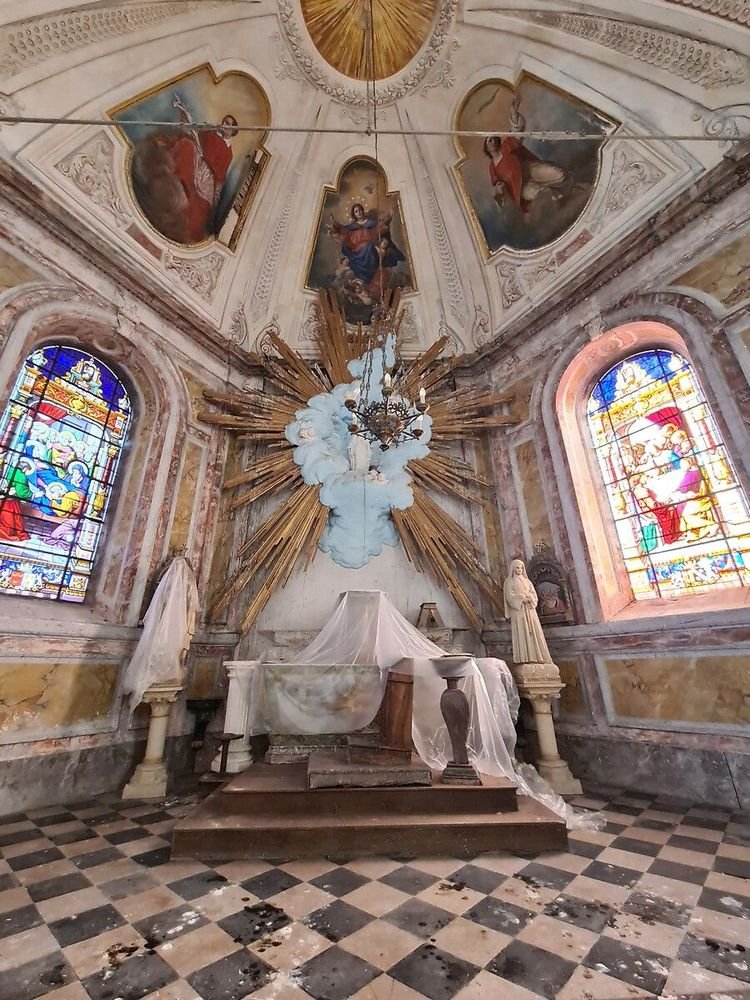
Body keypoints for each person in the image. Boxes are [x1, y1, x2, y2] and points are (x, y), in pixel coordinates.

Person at [483, 96, 570, 215]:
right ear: (486, 147)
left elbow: (517, 131)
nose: (491, 141)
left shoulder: (506, 145)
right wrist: (499, 189)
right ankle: (557, 201)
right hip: (520, 186)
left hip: (528, 169)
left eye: (493, 139)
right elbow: (497, 182)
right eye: (488, 140)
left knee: (561, 175)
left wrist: (513, 113)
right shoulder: (492, 166)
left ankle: (565, 192)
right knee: (542, 195)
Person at [503, 559, 553, 664]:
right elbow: (509, 596)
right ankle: (524, 658)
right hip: (519, 611)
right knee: (522, 632)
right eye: (517, 567)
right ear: (513, 568)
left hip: (530, 610)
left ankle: (538, 656)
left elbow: (533, 593)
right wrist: (521, 599)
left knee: (534, 632)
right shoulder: (509, 581)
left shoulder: (527, 581)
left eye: (521, 567)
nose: (520, 570)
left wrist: (530, 598)